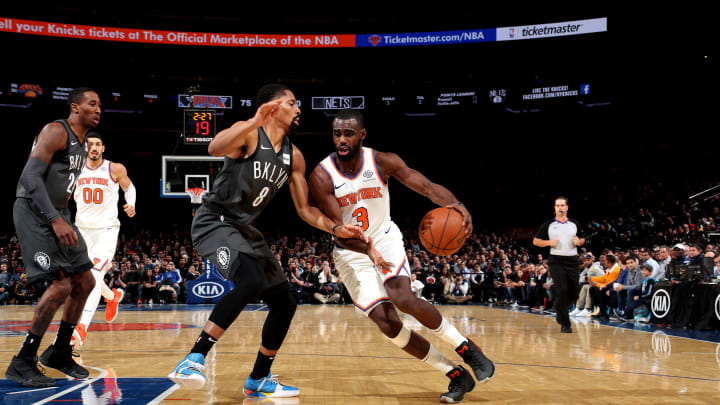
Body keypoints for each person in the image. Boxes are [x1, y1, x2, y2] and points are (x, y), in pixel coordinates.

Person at [168, 84, 364, 398]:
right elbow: (214, 149)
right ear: (273, 107)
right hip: (214, 221)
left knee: (285, 303)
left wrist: (335, 228)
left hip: (246, 231)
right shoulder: (247, 134)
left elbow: (304, 210)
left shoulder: (294, 156)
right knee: (250, 280)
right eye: (292, 102)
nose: (299, 109)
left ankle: (258, 378)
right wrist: (254, 120)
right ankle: (193, 360)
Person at [308, 108, 494, 403]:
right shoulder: (321, 175)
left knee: (403, 298)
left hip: (384, 236)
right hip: (352, 252)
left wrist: (457, 204)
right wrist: (368, 250)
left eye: (348, 134)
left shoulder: (382, 161)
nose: (342, 139)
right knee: (387, 323)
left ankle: (467, 348)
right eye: (337, 134)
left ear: (361, 135)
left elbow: (428, 188)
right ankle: (454, 374)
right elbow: (340, 232)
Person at [5, 87, 100, 387]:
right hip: (35, 213)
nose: (98, 110)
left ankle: (59, 351)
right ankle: (22, 361)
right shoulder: (56, 131)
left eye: (100, 106)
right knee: (61, 285)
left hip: (59, 214)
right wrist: (56, 219)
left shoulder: (84, 143)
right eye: (92, 104)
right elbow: (30, 177)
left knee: (86, 282)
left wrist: (64, 216)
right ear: (75, 107)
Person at [71, 132, 136, 347]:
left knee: (95, 274)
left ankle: (81, 327)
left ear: (103, 148)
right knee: (84, 278)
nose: (94, 148)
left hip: (106, 229)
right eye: (90, 144)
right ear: (84, 148)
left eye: (98, 144)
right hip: (82, 229)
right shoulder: (74, 169)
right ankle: (112, 296)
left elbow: (130, 187)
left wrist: (131, 203)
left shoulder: (114, 168)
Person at [533, 196, 586, 333]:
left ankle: (558, 307)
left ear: (567, 207)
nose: (560, 208)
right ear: (555, 208)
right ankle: (565, 323)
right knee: (562, 291)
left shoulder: (574, 224)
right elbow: (536, 241)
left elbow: (582, 239)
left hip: (572, 260)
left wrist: (579, 243)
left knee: (574, 293)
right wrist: (548, 243)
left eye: (562, 205)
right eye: (557, 206)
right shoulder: (549, 224)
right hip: (556, 260)